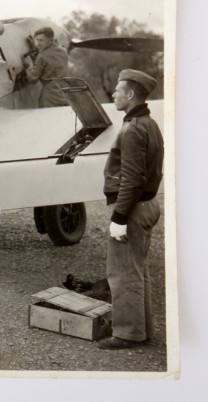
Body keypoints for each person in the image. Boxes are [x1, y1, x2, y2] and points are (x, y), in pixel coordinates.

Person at [97, 69, 164, 350]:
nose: (113, 93)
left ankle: (126, 334)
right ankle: (140, 331)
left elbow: (132, 178)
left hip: (133, 209)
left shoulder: (133, 128)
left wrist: (120, 218)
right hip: (146, 205)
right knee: (137, 271)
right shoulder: (148, 123)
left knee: (123, 273)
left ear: (131, 95)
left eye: (118, 90)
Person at [23, 26, 69, 107]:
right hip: (64, 93)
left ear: (50, 40)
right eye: (36, 40)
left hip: (50, 96)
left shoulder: (42, 56)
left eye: (41, 40)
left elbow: (32, 78)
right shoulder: (63, 51)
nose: (38, 44)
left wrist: (29, 66)